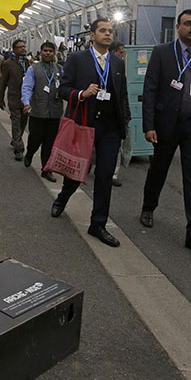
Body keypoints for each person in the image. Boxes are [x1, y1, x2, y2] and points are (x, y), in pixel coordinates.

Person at [140, 9, 191, 253]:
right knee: (159, 169)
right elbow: (150, 89)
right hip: (167, 124)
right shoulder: (163, 52)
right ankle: (148, 206)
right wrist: (149, 125)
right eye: (188, 23)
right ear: (178, 27)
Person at [52, 18, 130, 247]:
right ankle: (63, 197)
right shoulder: (77, 59)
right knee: (77, 172)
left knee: (105, 176)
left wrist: (125, 121)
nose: (108, 34)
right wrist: (81, 94)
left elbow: (121, 95)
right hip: (84, 124)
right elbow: (63, 89)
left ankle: (98, 224)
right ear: (92, 35)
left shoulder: (117, 62)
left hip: (110, 128)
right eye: (103, 31)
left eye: (110, 31)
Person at [21, 41, 64, 182]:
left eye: (51, 51)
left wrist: (62, 92)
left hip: (54, 112)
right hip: (37, 111)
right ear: (41, 52)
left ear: (54, 53)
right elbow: (27, 87)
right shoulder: (34, 69)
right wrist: (26, 103)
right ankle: (30, 154)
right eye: (45, 51)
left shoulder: (59, 69)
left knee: (50, 143)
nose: (48, 53)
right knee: (35, 139)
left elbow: (65, 86)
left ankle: (46, 169)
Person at [0, 39, 30, 160]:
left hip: (26, 99)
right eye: (20, 47)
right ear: (14, 49)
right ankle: (19, 148)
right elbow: (3, 82)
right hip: (14, 97)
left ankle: (15, 140)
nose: (23, 49)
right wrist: (0, 99)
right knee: (16, 122)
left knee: (23, 122)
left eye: (24, 46)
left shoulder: (27, 62)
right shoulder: (8, 64)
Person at [110, 41, 127, 187]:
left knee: (118, 148)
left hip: (118, 117)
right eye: (121, 52)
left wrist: (126, 115)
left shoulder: (120, 67)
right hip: (101, 116)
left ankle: (114, 174)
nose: (122, 56)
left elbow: (123, 95)